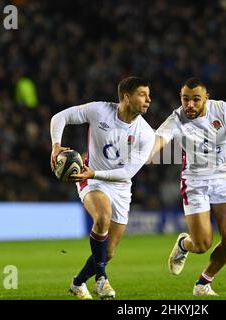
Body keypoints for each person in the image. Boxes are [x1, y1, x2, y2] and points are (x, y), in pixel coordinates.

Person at [150, 77, 226, 296]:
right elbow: (157, 141)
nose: (190, 105)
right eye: (185, 99)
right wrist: (146, 152)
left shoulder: (222, 110)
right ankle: (185, 244)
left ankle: (203, 283)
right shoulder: (176, 119)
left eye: (195, 99)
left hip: (222, 178)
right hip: (194, 181)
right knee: (202, 244)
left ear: (206, 98)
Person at [50, 76, 155, 299]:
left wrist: (95, 172)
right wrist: (56, 145)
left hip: (119, 185)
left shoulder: (146, 134)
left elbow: (127, 172)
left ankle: (78, 283)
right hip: (92, 179)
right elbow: (61, 116)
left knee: (108, 252)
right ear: (126, 97)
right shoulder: (100, 111)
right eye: (142, 94)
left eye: (148, 95)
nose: (148, 99)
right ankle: (102, 280)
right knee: (102, 217)